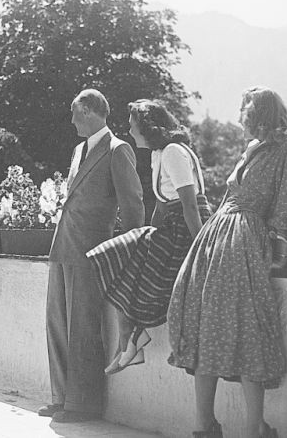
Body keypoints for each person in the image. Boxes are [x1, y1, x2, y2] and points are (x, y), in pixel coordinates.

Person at [167, 87, 287, 438]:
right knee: (203, 322)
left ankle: (254, 428)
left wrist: (280, 255)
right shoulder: (251, 147)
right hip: (217, 235)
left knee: (245, 327)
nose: (239, 117)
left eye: (244, 110)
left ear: (258, 112)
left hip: (244, 236)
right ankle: (206, 426)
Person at [39, 89, 144, 423]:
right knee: (56, 322)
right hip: (63, 247)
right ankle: (62, 397)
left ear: (88, 112)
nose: (71, 121)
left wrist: (129, 249)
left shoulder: (118, 150)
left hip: (92, 250)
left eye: (74, 113)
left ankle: (83, 405)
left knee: (84, 327)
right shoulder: (78, 150)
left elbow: (133, 204)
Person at [86, 99, 212, 375]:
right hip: (172, 225)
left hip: (186, 229)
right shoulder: (158, 154)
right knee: (124, 258)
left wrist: (201, 248)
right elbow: (162, 204)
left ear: (148, 128)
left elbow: (190, 204)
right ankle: (129, 341)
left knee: (122, 257)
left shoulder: (173, 152)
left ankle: (130, 342)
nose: (129, 132)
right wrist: (147, 236)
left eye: (133, 127)